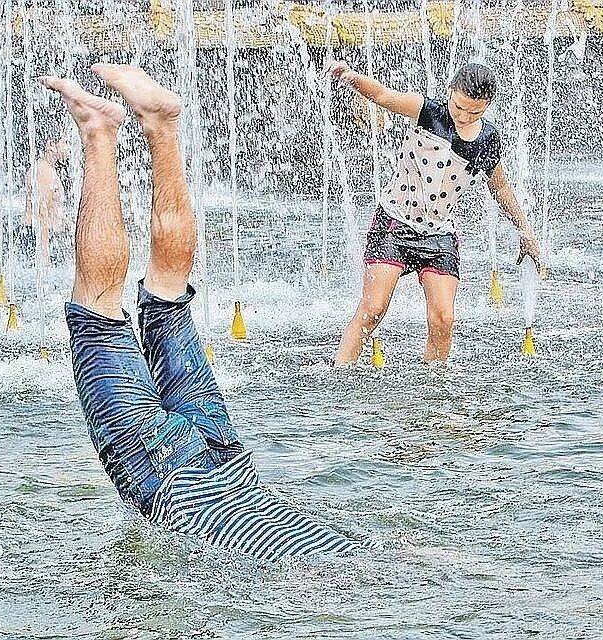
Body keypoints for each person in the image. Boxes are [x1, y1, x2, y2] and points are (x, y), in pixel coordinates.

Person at [40, 65, 357, 561]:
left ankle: (162, 128)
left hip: (233, 462)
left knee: (167, 297)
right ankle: (98, 133)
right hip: (173, 483)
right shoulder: (319, 575)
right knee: (97, 309)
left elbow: (410, 558)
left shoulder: (350, 552)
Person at [330, 61, 543, 365]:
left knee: (443, 318)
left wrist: (525, 230)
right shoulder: (428, 112)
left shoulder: (488, 140)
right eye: (459, 107)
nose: (464, 116)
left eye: (475, 112)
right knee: (373, 310)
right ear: (450, 92)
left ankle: (436, 388)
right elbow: (382, 96)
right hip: (394, 223)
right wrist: (350, 77)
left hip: (440, 233)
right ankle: (339, 377)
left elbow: (500, 189)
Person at [24, 132, 71, 266]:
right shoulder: (43, 171)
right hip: (40, 238)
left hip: (45, 236)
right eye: (65, 142)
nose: (68, 148)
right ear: (51, 145)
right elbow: (41, 213)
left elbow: (52, 208)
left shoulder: (47, 168)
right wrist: (44, 255)